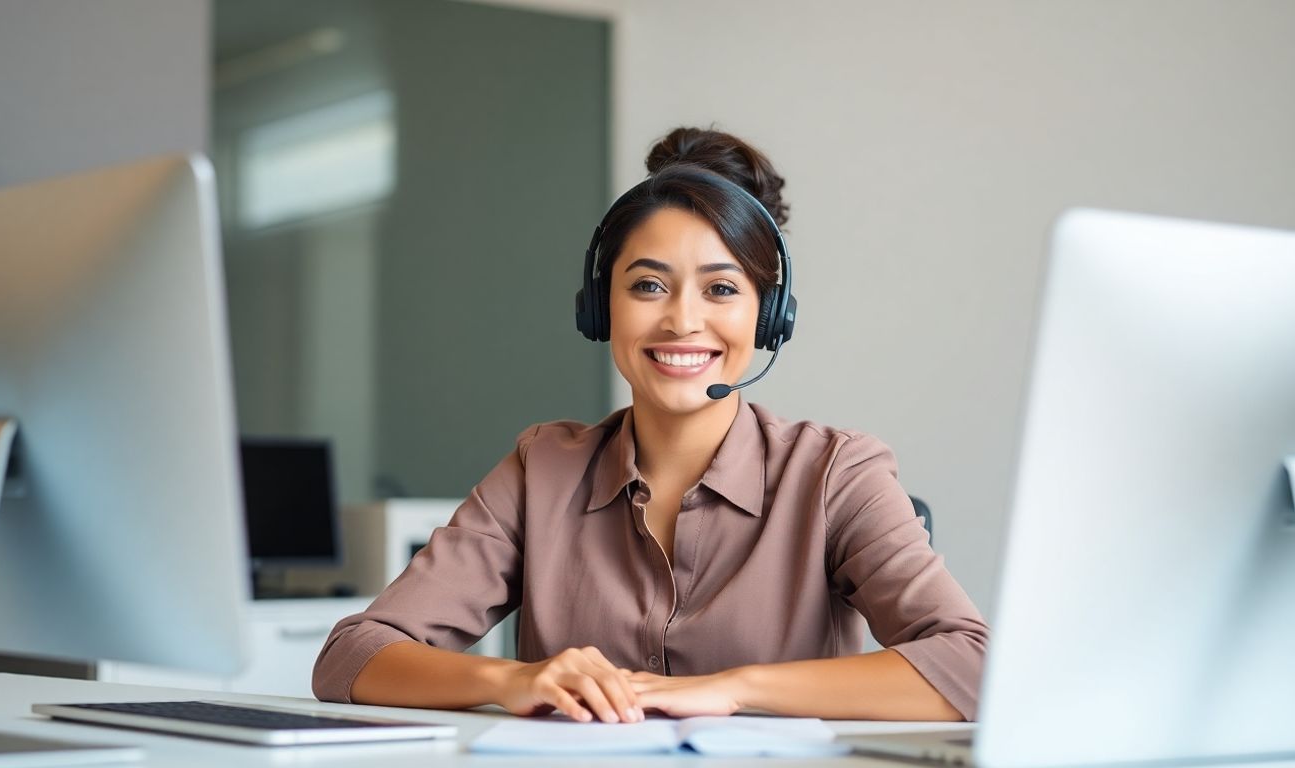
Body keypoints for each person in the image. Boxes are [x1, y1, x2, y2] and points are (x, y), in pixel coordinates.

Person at [313, 127, 989, 723]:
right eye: (647, 285)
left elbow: (975, 666)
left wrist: (732, 689)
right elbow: (354, 654)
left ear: (769, 314)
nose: (682, 321)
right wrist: (513, 680)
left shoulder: (836, 474)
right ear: (599, 307)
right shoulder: (542, 468)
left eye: (722, 289)